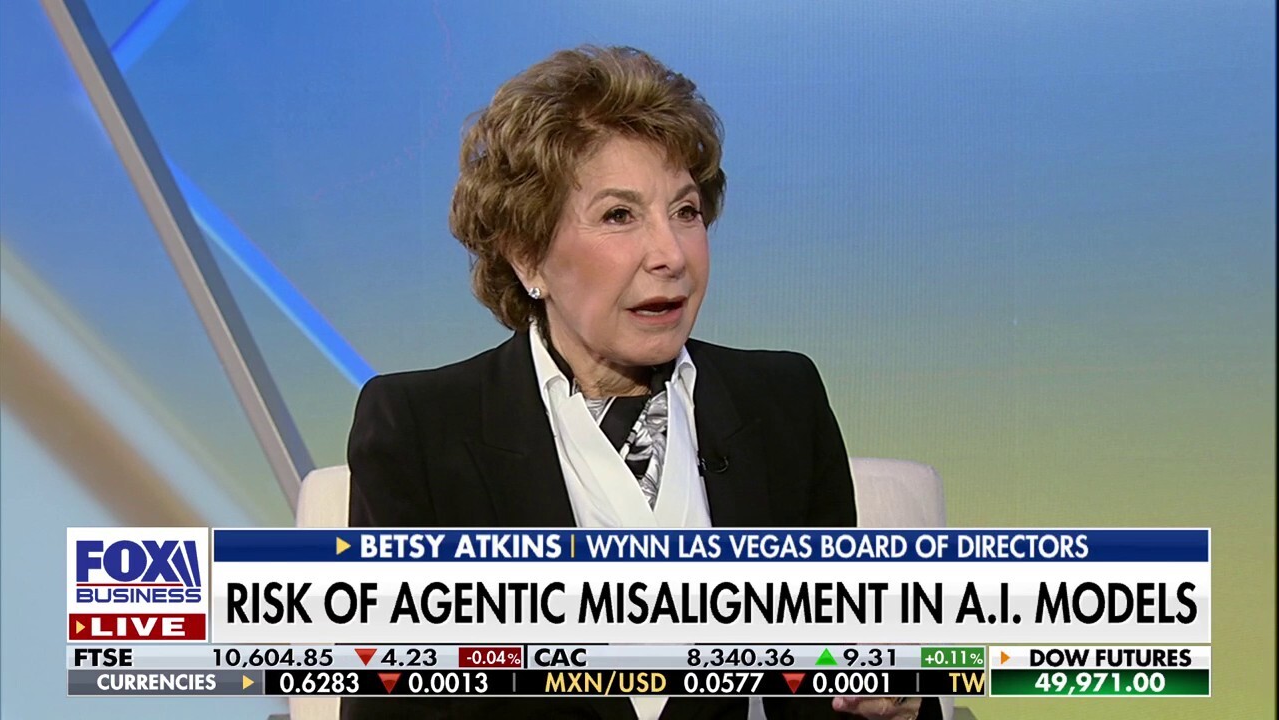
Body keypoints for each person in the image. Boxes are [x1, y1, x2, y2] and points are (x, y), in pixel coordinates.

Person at [345, 45, 937, 720]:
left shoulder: (781, 400)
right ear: (528, 254)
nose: (671, 255)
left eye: (686, 211)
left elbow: (832, 686)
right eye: (620, 216)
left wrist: (890, 698)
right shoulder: (420, 429)